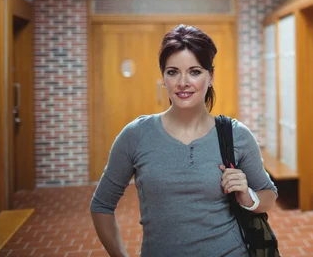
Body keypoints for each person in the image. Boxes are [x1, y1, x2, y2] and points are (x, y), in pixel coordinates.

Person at [90, 24, 278, 257]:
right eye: (173, 72)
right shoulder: (136, 135)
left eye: (195, 71)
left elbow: (268, 195)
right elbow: (102, 206)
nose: (183, 82)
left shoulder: (236, 135)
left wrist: (247, 196)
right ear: (163, 78)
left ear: (211, 76)